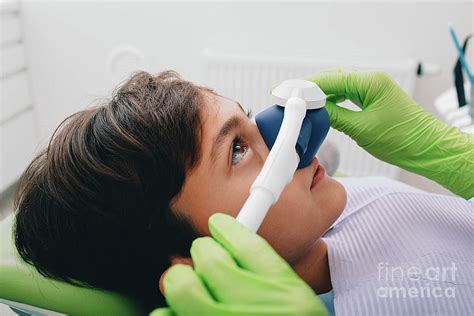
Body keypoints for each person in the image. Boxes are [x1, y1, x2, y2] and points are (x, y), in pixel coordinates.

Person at [13, 71, 473, 315]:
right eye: (236, 150)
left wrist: (456, 159)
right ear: (199, 257)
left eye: (249, 117)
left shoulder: (337, 210)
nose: (287, 138)